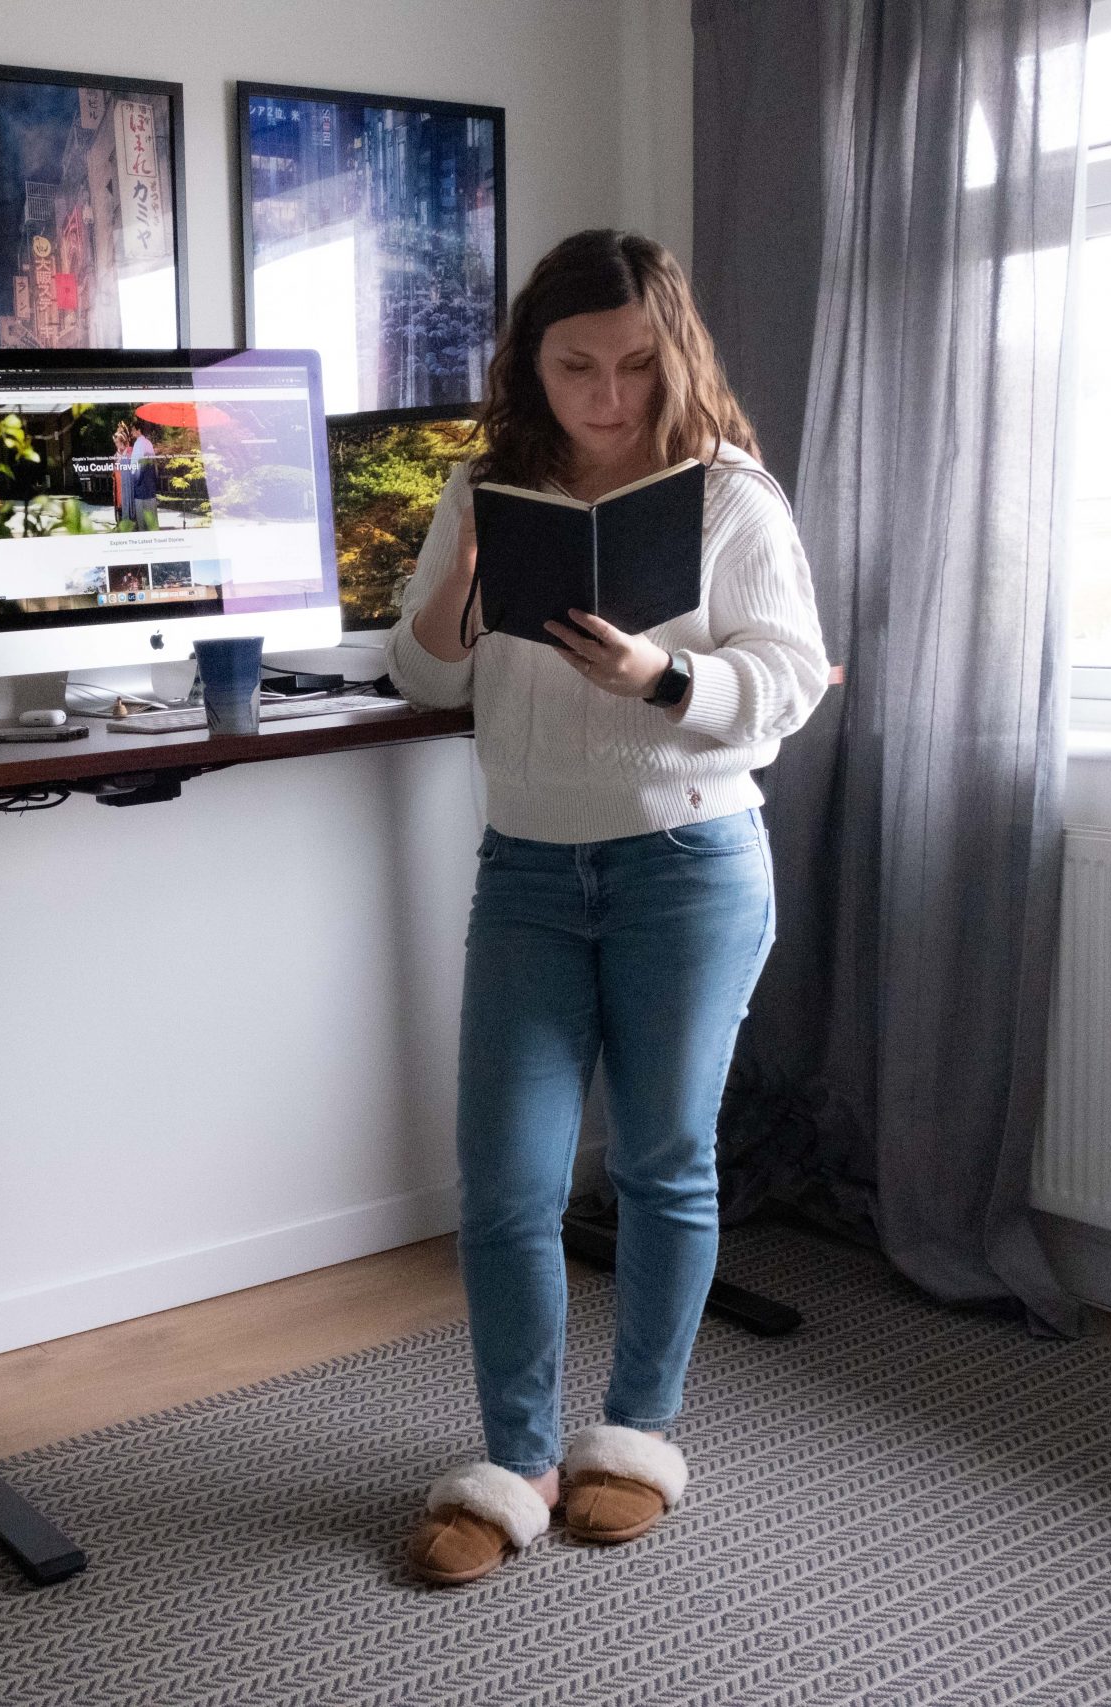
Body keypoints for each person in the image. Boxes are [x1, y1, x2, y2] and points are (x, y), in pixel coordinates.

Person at [389, 229, 828, 1586]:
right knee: (509, 1182)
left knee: (659, 1160)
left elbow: (794, 675)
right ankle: (517, 1456)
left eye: (637, 363)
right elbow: (416, 673)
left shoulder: (730, 496)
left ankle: (635, 1435)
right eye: (577, 364)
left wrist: (662, 676)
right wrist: (460, 576)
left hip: (686, 863)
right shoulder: (484, 481)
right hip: (526, 867)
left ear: (672, 352)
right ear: (535, 360)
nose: (610, 394)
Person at [113, 418, 160, 528]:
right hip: (150, 487)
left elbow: (138, 467)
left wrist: (135, 483)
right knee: (152, 520)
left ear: (138, 430)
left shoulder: (138, 444)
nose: (132, 432)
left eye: (133, 430)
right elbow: (154, 465)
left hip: (141, 489)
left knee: (142, 522)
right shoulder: (148, 443)